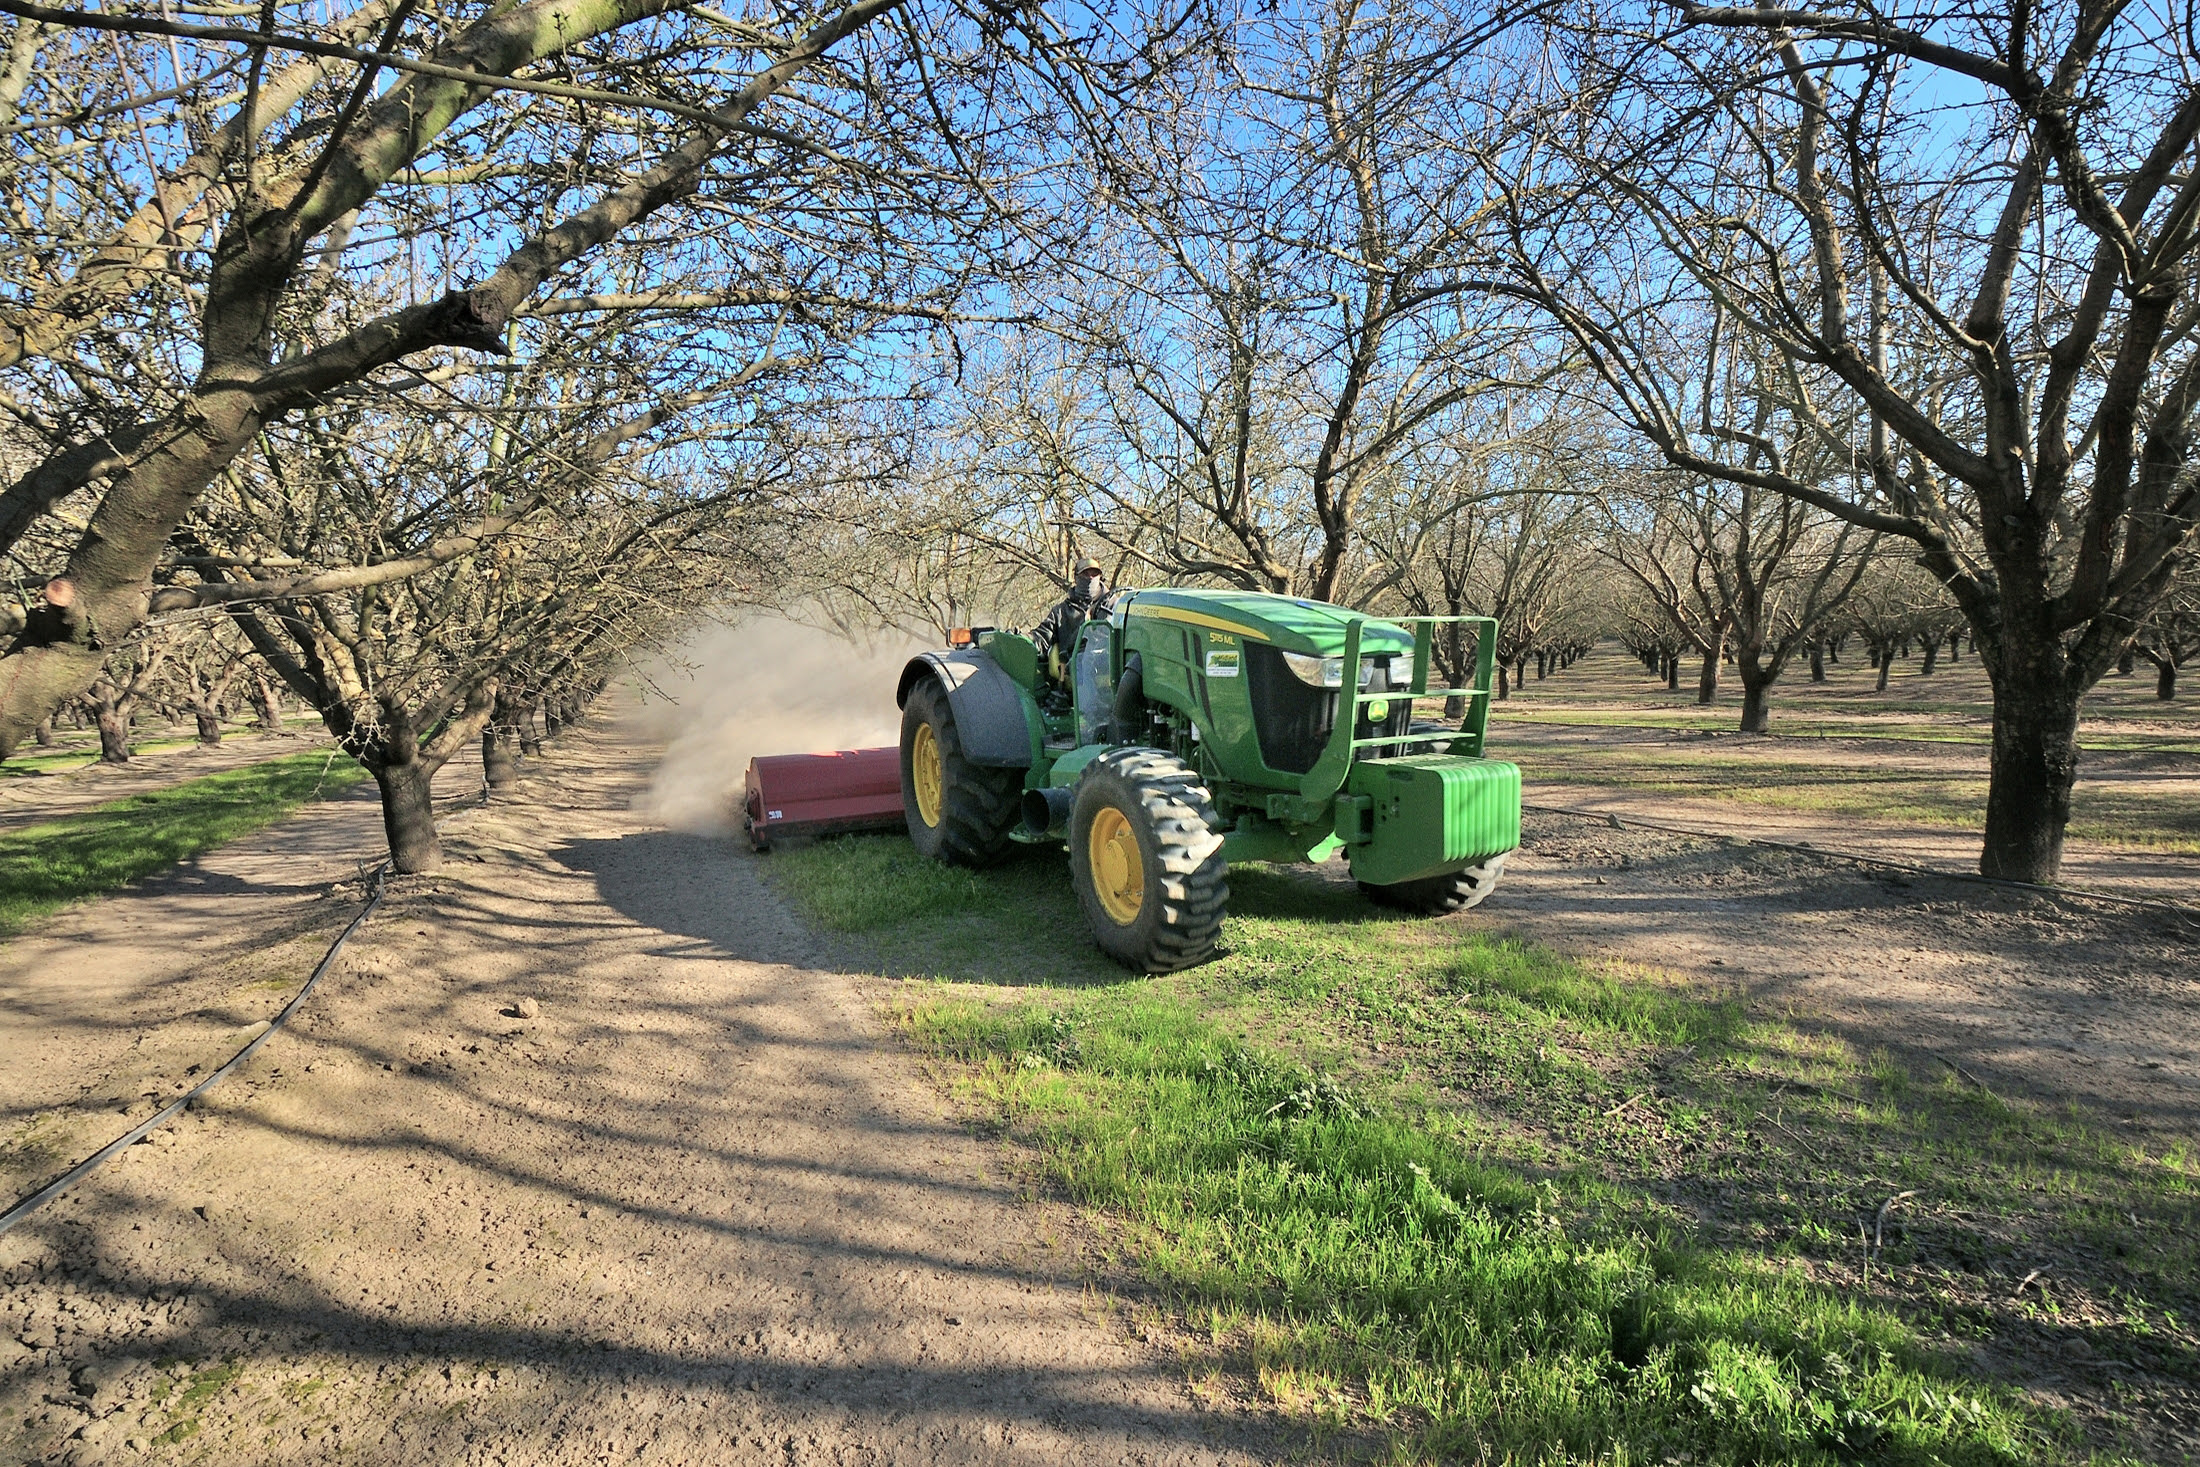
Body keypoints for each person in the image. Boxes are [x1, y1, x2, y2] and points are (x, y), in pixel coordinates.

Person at [1031, 557, 1107, 671]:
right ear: (1076, 578)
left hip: (1107, 667)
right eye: (1085, 574)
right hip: (1074, 673)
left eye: (1095, 573)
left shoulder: (1114, 605)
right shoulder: (1061, 612)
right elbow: (1042, 636)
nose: (1091, 578)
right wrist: (1023, 638)